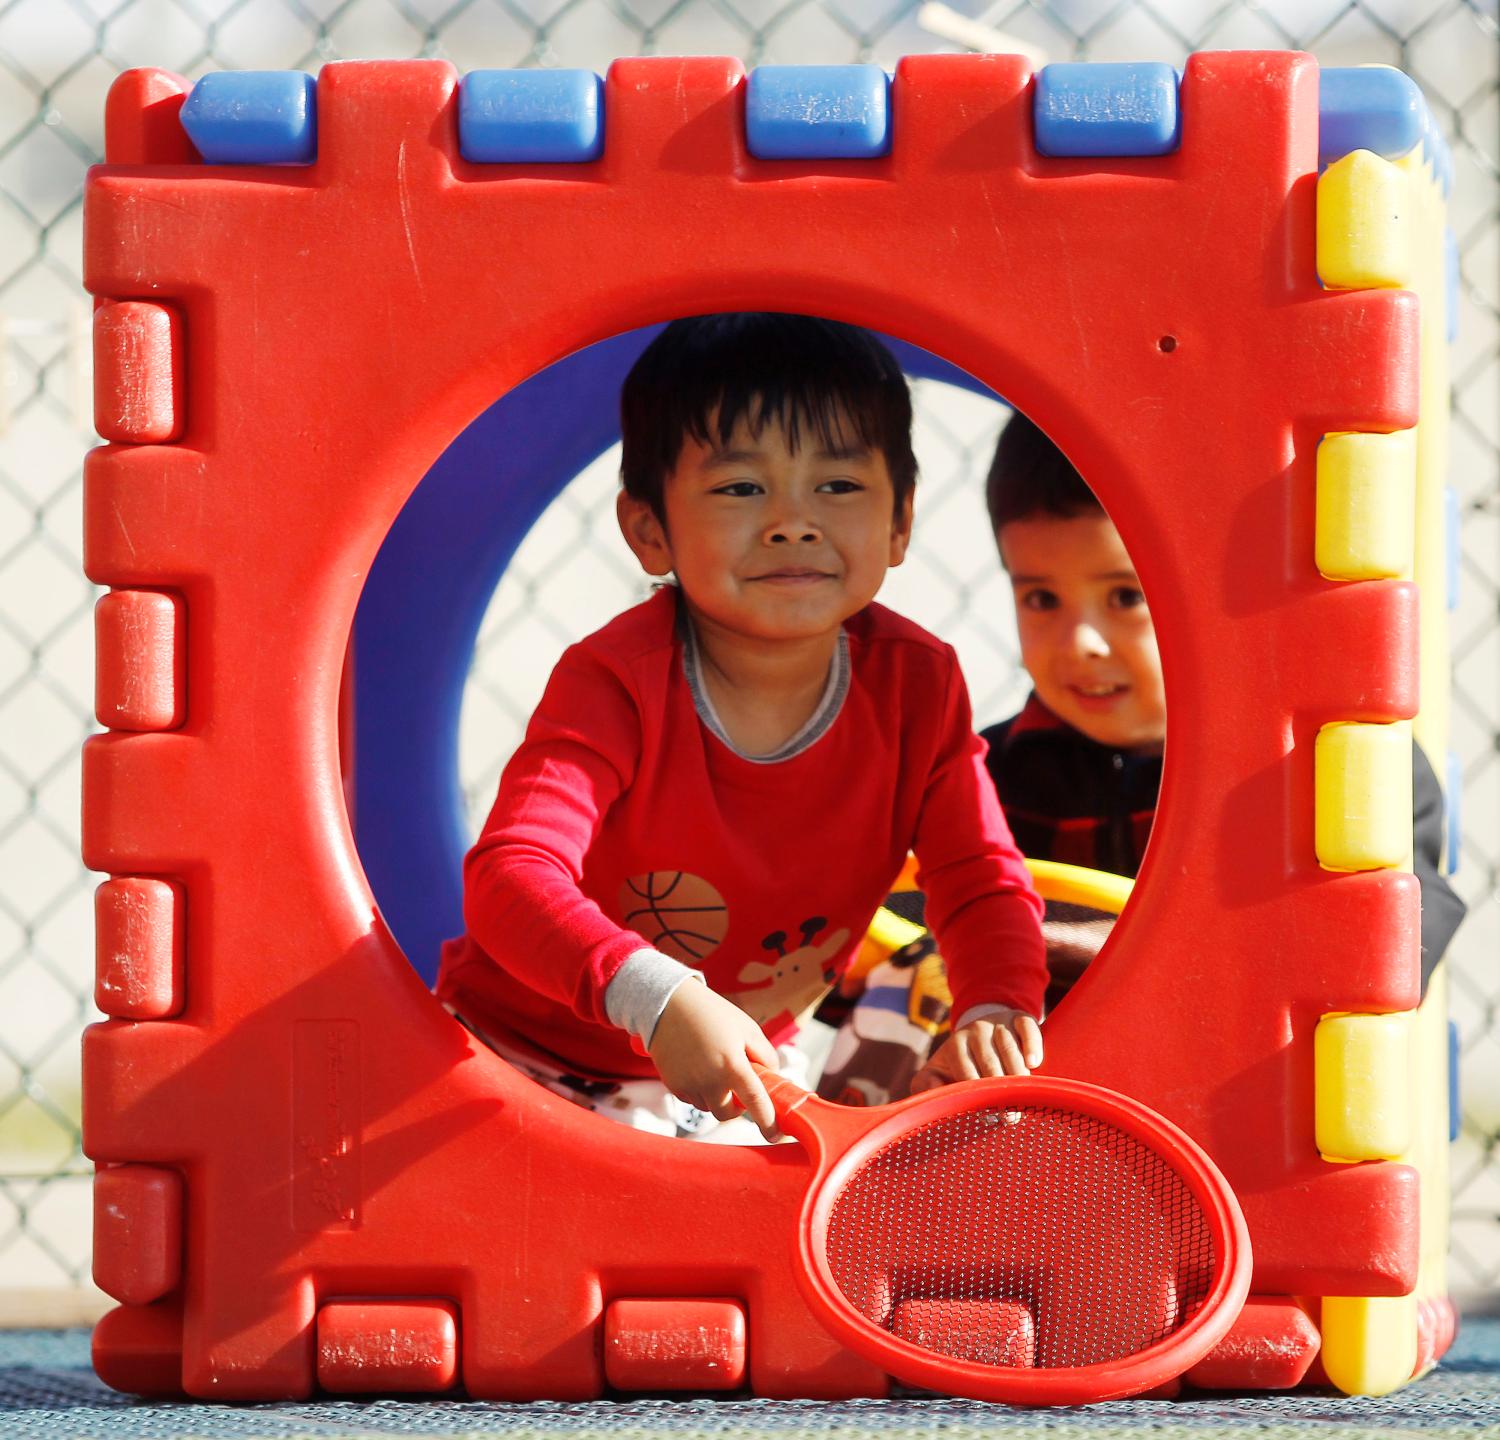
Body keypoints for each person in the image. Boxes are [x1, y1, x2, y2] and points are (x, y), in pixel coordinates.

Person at [436, 314, 1048, 1143]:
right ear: (650, 530)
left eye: (837, 486)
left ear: (901, 521)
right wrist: (653, 996)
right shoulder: (617, 681)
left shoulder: (917, 685)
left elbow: (979, 879)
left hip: (744, 1071)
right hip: (519, 1051)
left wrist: (994, 1009)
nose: (792, 522)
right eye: (740, 489)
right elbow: (512, 875)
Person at [980, 410, 1464, 1003]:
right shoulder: (988, 774)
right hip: (1039, 1086)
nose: (1081, 641)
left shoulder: (1317, 757)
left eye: (1126, 595)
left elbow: (1407, 916)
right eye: (1041, 598)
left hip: (1243, 1071)